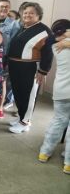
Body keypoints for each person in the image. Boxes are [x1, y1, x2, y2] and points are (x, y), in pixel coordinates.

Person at [8, 2, 54, 134]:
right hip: (16, 66)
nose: (27, 15)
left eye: (31, 13)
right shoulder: (23, 27)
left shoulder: (45, 31)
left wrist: (43, 71)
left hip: (30, 67)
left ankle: (25, 122)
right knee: (19, 94)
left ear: (38, 15)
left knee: (28, 95)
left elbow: (48, 53)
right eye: (25, 12)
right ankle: (21, 117)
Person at [38, 19, 70, 175]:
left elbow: (51, 38)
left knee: (58, 121)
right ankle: (68, 163)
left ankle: (44, 152)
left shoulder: (54, 44)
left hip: (61, 91)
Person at [0, 0, 20, 119]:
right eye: (1, 6)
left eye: (6, 7)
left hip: (3, 58)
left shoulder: (14, 24)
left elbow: (15, 44)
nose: (3, 9)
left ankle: (0, 108)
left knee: (2, 83)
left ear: (9, 9)